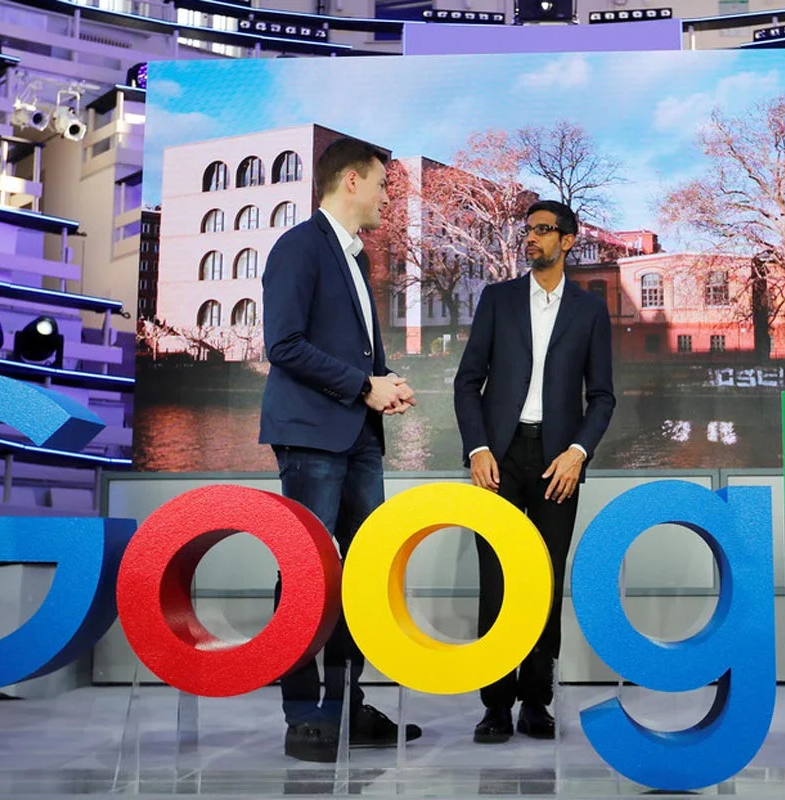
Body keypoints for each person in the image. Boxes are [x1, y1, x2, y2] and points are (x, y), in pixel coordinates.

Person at [260, 137, 420, 762]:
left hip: (357, 440)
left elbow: (351, 352)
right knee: (306, 572)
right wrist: (364, 385)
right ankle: (304, 718)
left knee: (358, 574)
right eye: (383, 184)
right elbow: (284, 344)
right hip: (312, 438)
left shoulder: (355, 260)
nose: (388, 196)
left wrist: (386, 383)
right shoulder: (298, 246)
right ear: (350, 182)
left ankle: (345, 709)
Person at [452, 199, 616, 743]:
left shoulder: (590, 311)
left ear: (569, 241)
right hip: (496, 459)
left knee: (544, 581)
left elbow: (603, 397)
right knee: (497, 581)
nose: (532, 239)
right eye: (528, 230)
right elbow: (466, 381)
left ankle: (536, 703)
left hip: (558, 464)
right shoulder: (497, 300)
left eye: (544, 231)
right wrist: (477, 448)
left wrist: (578, 452)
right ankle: (495, 705)